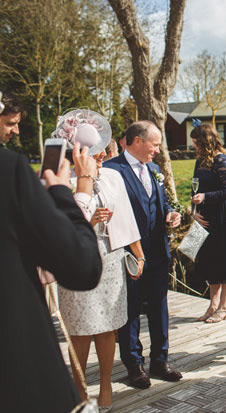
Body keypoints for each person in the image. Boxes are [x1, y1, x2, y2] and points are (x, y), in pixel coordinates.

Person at [0, 93, 103, 412]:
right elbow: (82, 267)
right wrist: (72, 188)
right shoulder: (10, 171)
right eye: (9, 122)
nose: (15, 131)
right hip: (17, 371)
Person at [55, 110, 145, 410]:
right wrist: (89, 220)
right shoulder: (60, 180)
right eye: (95, 154)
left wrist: (138, 253)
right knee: (80, 331)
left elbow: (128, 218)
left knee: (108, 327)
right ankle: (80, 391)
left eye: (103, 152)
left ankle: (105, 384)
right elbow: (59, 228)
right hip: (76, 262)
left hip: (110, 258)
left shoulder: (113, 176)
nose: (103, 157)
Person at [104, 120, 182, 389]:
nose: (158, 150)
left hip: (158, 251)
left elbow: (162, 202)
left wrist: (171, 213)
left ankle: (160, 361)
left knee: (160, 307)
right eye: (155, 144)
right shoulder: (112, 170)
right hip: (128, 254)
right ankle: (134, 364)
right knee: (131, 309)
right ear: (137, 141)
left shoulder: (155, 169)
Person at [191, 122, 226, 323]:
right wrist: (193, 211)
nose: (193, 146)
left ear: (205, 141)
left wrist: (206, 196)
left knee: (225, 261)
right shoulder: (200, 161)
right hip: (204, 218)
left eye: (195, 142)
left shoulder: (222, 160)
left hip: (223, 217)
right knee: (209, 261)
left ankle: (224, 306)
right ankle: (212, 304)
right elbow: (194, 190)